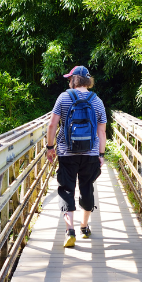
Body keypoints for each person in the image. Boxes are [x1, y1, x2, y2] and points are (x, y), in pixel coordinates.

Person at [46, 65, 107, 247]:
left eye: (69, 78)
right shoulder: (97, 101)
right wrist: (101, 154)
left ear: (74, 79)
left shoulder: (64, 97)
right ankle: (84, 226)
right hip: (90, 153)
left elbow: (52, 125)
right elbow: (102, 132)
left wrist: (50, 147)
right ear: (87, 80)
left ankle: (69, 230)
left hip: (66, 153)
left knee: (67, 189)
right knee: (87, 187)